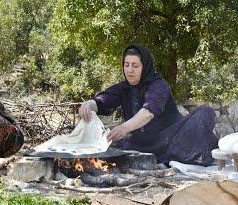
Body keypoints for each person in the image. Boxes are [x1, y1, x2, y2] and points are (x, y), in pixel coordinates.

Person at [78, 44, 218, 166]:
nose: (130, 70)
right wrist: (89, 105)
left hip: (173, 139)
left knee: (205, 112)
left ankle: (177, 156)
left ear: (145, 67)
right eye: (126, 65)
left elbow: (149, 112)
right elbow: (103, 100)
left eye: (135, 65)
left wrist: (125, 127)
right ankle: (164, 158)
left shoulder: (158, 85)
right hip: (144, 145)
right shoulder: (123, 88)